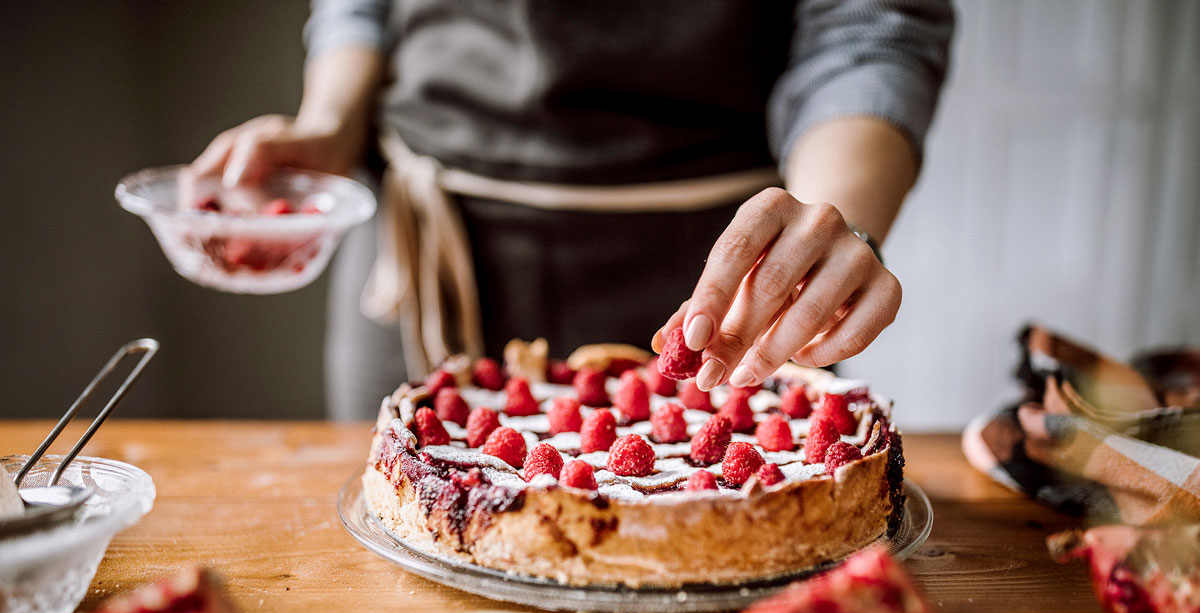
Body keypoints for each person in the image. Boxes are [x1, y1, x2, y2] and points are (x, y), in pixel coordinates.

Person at [193, 1, 954, 419]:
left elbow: (870, 23)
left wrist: (832, 215)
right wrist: (328, 122)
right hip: (428, 252)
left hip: (726, 274)